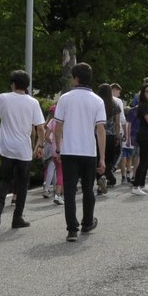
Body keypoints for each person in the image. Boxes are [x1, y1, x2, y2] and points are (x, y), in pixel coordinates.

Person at [0, 69, 44, 230]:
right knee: (22, 185)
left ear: (13, 84)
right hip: (24, 150)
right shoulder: (33, 102)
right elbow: (40, 128)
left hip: (7, 148)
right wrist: (40, 145)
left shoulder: (3, 98)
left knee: (6, 180)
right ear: (26, 85)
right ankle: (17, 218)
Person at [52, 62, 107, 241]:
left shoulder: (65, 98)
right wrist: (103, 157)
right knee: (88, 189)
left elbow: (58, 125)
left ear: (75, 78)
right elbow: (100, 130)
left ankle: (72, 229)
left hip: (69, 151)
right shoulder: (98, 101)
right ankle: (88, 222)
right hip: (88, 151)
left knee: (69, 191)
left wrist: (58, 147)